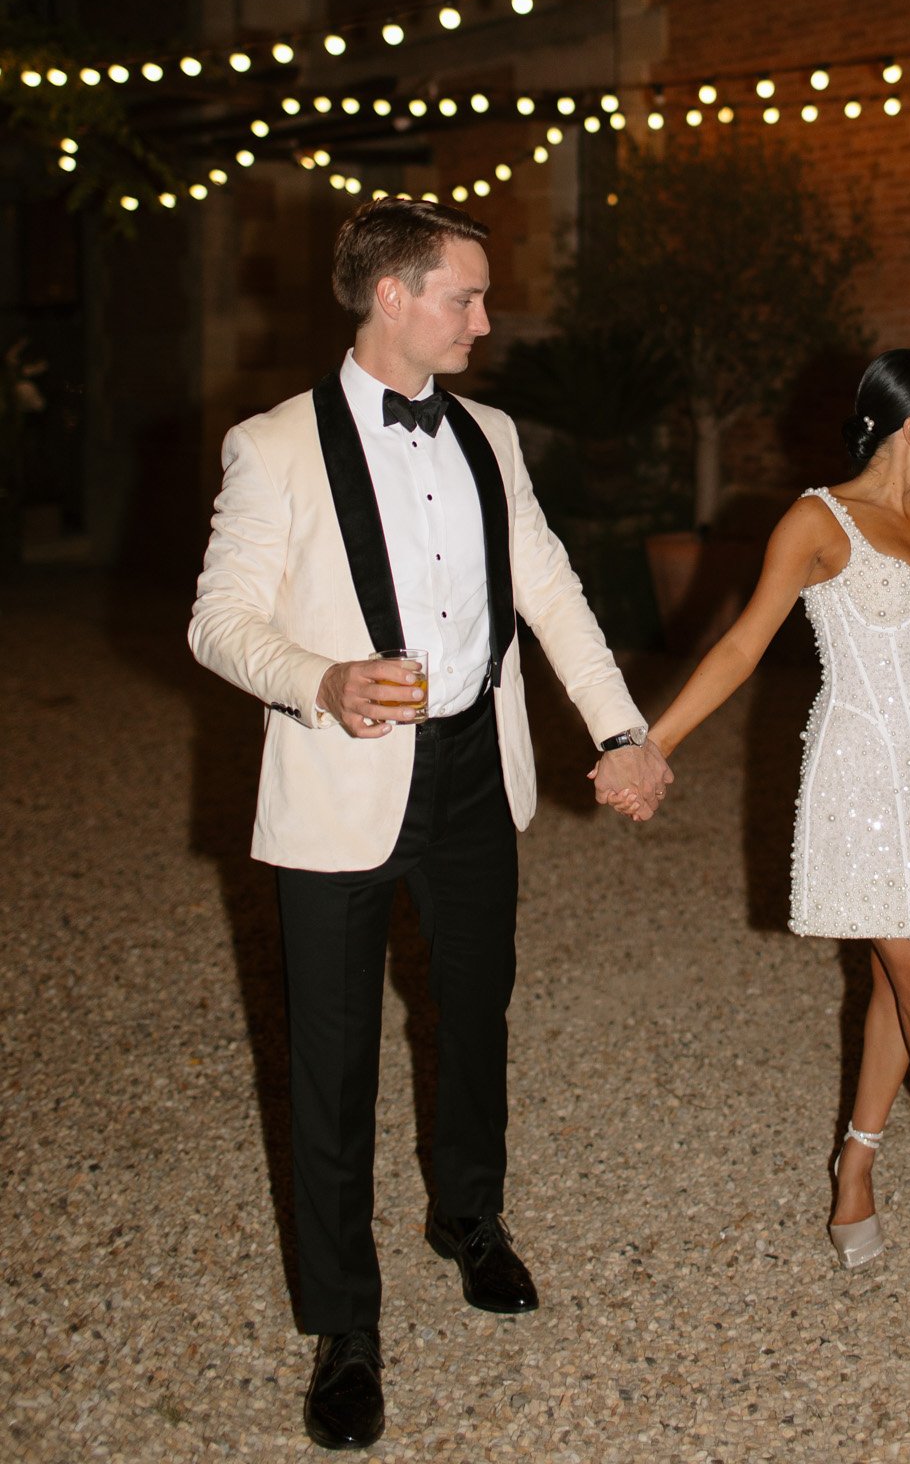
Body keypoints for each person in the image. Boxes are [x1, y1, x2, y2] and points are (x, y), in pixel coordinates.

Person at [188, 199, 671, 1450]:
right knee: (333, 1061)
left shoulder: (492, 434)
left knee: (476, 1010)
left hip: (471, 773)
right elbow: (218, 619)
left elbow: (549, 586)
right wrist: (323, 680)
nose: (484, 317)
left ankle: (469, 1217)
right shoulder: (276, 443)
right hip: (339, 782)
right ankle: (344, 1323)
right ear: (390, 296)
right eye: (464, 294)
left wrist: (622, 729)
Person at [628, 349, 910, 1310]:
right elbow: (743, 643)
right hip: (863, 780)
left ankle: (854, 1170)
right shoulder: (816, 521)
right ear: (908, 427)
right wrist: (649, 743)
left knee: (893, 976)